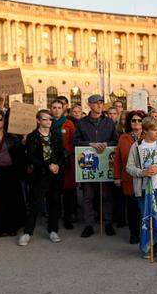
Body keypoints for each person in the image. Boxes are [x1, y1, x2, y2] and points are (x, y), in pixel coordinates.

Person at [126, 116, 157, 262]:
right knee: (147, 218)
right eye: (155, 130)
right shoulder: (136, 147)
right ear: (146, 131)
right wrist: (142, 172)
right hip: (143, 189)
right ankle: (152, 246)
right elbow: (129, 167)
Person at [73, 94, 118, 238]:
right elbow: (76, 141)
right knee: (88, 196)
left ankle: (108, 223)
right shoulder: (82, 123)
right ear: (89, 105)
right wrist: (90, 144)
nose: (99, 105)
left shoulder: (109, 122)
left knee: (106, 195)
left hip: (104, 164)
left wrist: (106, 144)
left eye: (101, 103)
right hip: (88, 164)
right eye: (96, 103)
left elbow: (115, 140)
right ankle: (89, 225)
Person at [19, 109, 65, 246]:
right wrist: (48, 165)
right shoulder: (33, 137)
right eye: (45, 119)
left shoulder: (56, 135)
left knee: (55, 203)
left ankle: (53, 230)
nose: (48, 121)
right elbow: (31, 157)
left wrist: (57, 165)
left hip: (55, 175)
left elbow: (62, 154)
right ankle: (28, 232)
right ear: (38, 120)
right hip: (39, 175)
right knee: (35, 204)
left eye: (50, 119)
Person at [0, 109, 26, 237]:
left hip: (10, 171)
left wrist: (24, 142)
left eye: (0, 119)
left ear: (4, 121)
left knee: (12, 200)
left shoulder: (11, 136)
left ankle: (12, 227)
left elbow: (19, 154)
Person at [113, 110, 145, 244]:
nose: (136, 123)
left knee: (144, 208)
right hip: (129, 178)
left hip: (145, 179)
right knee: (132, 208)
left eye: (139, 120)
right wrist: (117, 176)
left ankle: (146, 234)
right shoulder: (123, 138)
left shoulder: (149, 136)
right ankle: (134, 234)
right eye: (133, 120)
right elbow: (118, 159)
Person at [50, 100, 77, 230]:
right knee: (54, 192)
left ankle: (68, 218)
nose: (56, 110)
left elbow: (73, 141)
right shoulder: (47, 123)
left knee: (68, 193)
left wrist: (68, 152)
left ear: (63, 109)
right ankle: (54, 218)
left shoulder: (68, 124)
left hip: (67, 162)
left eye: (59, 108)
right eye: (54, 107)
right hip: (52, 161)